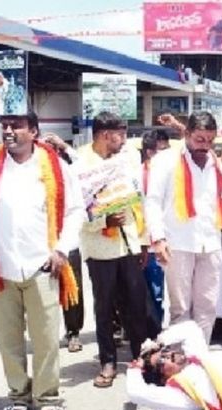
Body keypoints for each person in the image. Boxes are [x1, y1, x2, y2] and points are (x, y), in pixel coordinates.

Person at [0, 112, 84, 410]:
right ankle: (17, 397)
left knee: (44, 339)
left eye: (16, 126)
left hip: (42, 266)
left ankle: (47, 399)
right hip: (0, 268)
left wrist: (61, 249)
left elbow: (74, 210)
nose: (9, 131)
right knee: (9, 339)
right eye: (5, 126)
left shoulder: (53, 165)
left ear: (34, 131)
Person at [146, 111, 222, 343]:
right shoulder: (166, 160)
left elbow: (218, 203)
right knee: (180, 308)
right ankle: (179, 361)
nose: (205, 146)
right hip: (177, 243)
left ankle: (199, 358)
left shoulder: (216, 163)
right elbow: (152, 201)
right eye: (200, 139)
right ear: (186, 134)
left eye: (210, 141)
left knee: (208, 306)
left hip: (210, 244)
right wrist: (158, 238)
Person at [75, 112, 150, 388]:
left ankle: (140, 356)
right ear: (106, 135)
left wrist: (142, 239)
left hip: (128, 243)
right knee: (104, 307)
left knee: (135, 304)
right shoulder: (80, 163)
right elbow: (74, 209)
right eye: (121, 133)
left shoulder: (127, 158)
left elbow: (138, 199)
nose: (125, 139)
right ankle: (107, 361)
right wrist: (101, 221)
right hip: (100, 248)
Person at [42, 133, 85, 353]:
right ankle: (45, 336)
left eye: (53, 147)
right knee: (42, 293)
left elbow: (84, 165)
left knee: (72, 289)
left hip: (67, 243)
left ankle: (74, 333)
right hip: (42, 245)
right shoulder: (35, 170)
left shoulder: (67, 169)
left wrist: (65, 146)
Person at [140, 129, 171, 333]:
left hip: (170, 242)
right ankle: (153, 334)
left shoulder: (173, 171)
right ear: (150, 152)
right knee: (152, 293)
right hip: (148, 244)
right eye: (163, 150)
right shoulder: (138, 174)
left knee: (165, 294)